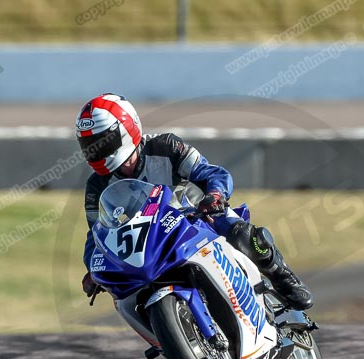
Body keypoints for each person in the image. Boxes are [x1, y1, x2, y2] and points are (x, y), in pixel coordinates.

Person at [76, 93, 313, 310]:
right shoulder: (96, 187)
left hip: (197, 220)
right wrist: (94, 268)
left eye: (103, 143)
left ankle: (282, 276)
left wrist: (215, 196)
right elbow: (96, 235)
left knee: (244, 235)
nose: (98, 152)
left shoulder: (166, 147)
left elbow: (213, 174)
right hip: (150, 245)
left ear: (128, 129)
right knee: (126, 295)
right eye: (90, 147)